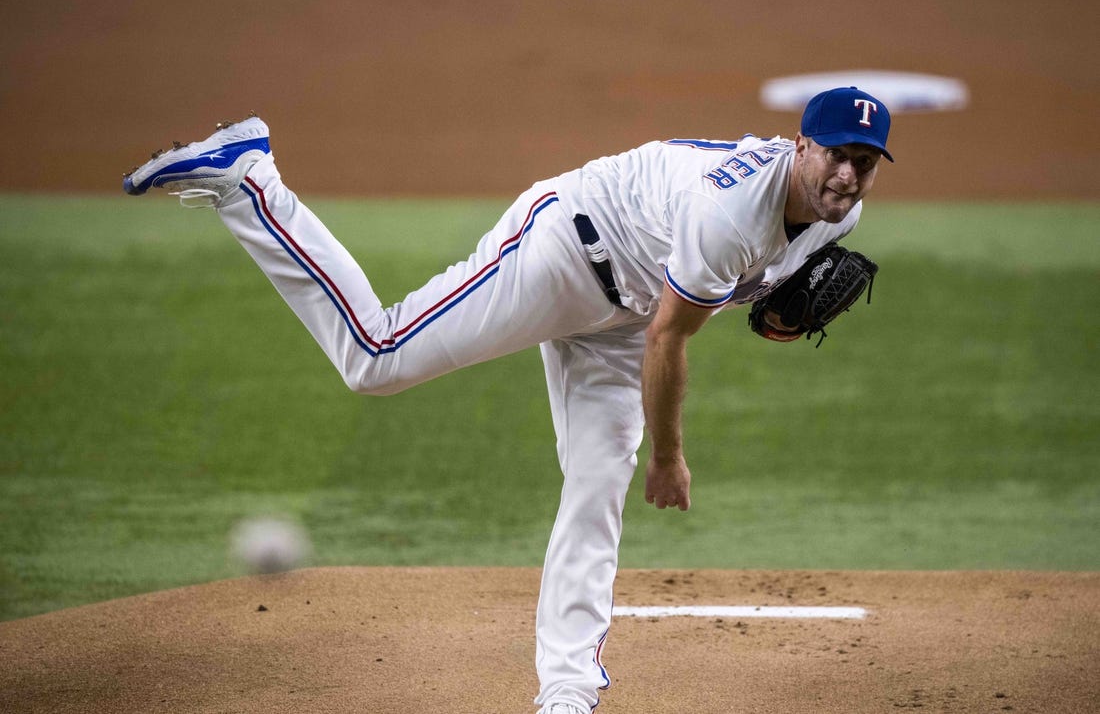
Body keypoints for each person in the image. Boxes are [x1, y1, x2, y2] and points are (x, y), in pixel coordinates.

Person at [124, 86, 892, 714]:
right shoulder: (729, 215)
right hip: (562, 252)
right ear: (801, 146)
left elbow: (737, 300)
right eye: (835, 156)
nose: (848, 177)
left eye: (864, 162)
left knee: (597, 481)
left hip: (627, 311)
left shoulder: (840, 212)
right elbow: (670, 339)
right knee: (376, 358)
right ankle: (251, 181)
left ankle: (567, 690)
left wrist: (778, 312)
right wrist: (668, 455)